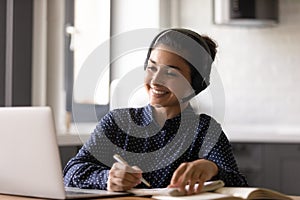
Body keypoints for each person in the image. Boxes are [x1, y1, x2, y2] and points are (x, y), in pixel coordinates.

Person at [63, 28, 248, 195]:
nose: (156, 80)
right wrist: (107, 178)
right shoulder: (118, 122)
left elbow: (240, 186)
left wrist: (212, 169)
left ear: (195, 84)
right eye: (152, 68)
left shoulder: (205, 131)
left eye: (171, 73)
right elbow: (72, 171)